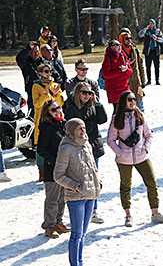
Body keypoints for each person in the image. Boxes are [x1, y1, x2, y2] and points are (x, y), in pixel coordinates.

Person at [107, 91, 163, 226]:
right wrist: (120, 152)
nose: (133, 102)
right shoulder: (116, 118)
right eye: (130, 99)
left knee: (151, 182)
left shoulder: (140, 116)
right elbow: (110, 139)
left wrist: (145, 148)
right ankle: (128, 215)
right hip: (124, 159)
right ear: (124, 101)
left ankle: (155, 213)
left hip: (142, 156)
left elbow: (149, 135)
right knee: (125, 186)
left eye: (134, 99)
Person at [54, 118, 101, 266]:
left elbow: (93, 167)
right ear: (72, 131)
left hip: (91, 194)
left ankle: (80, 262)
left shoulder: (87, 144)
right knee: (76, 235)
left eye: (84, 128)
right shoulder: (66, 148)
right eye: (79, 129)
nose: (83, 131)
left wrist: (98, 182)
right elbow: (58, 175)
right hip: (76, 197)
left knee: (83, 235)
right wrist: (75, 186)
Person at [65, 82, 107, 224]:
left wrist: (97, 103)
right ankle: (83, 210)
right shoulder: (71, 108)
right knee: (82, 180)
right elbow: (72, 130)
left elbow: (102, 120)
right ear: (77, 93)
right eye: (84, 93)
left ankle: (93, 211)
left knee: (94, 179)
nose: (87, 96)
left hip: (92, 147)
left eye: (89, 93)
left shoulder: (91, 105)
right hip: (78, 149)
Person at [36, 99, 69, 238]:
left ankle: (58, 222)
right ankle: (49, 226)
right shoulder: (46, 127)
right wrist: (53, 161)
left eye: (58, 108)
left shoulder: (63, 124)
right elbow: (41, 149)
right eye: (53, 110)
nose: (57, 111)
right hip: (52, 169)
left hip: (65, 168)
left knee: (62, 197)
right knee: (52, 199)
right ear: (48, 113)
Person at [101, 40, 133, 112]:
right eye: (117, 45)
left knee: (128, 110)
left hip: (125, 88)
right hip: (114, 90)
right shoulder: (108, 58)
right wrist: (120, 71)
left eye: (120, 45)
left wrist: (126, 70)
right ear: (111, 47)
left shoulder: (123, 56)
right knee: (118, 111)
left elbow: (130, 71)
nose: (120, 46)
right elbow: (106, 75)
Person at [119, 31, 146, 112]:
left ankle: (141, 124)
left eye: (130, 38)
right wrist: (127, 64)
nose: (129, 40)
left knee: (140, 107)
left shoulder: (135, 50)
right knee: (125, 109)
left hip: (136, 83)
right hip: (124, 85)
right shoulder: (118, 52)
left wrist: (143, 81)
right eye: (126, 39)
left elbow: (141, 65)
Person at [16, 41, 41, 116]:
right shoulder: (25, 63)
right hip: (32, 91)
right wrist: (28, 48)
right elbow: (19, 58)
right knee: (33, 112)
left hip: (44, 90)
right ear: (29, 53)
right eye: (34, 52)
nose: (36, 54)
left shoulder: (42, 61)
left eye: (37, 51)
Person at [138, 18, 163, 85]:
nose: (150, 24)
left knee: (157, 66)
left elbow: (162, 40)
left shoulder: (158, 31)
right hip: (148, 51)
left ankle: (157, 80)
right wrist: (145, 29)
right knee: (148, 66)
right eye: (149, 23)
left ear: (154, 24)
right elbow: (140, 35)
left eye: (152, 23)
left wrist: (157, 38)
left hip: (155, 51)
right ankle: (149, 80)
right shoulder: (146, 31)